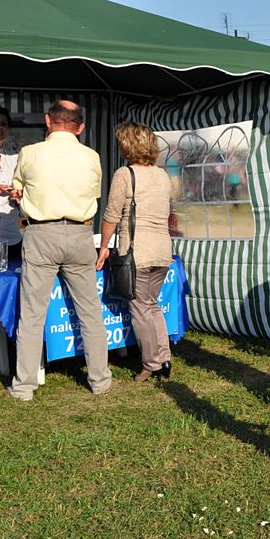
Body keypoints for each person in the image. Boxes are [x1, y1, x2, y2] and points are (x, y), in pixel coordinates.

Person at [6, 100, 114, 401]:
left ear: (47, 121)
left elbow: (18, 190)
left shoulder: (30, 153)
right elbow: (94, 194)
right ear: (81, 127)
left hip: (41, 233)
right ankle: (100, 379)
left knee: (32, 313)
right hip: (80, 233)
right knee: (90, 311)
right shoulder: (92, 156)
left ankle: (24, 386)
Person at [96, 122, 173, 382]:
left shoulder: (125, 174)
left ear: (128, 146)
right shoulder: (163, 176)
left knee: (140, 308)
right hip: (162, 250)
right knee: (152, 305)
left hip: (137, 251)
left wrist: (104, 247)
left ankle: (151, 364)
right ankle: (164, 358)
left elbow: (111, 215)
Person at [0, 104, 23, 259]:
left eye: (3, 124)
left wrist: (19, 194)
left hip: (11, 238)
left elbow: (25, 191)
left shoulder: (14, 159)